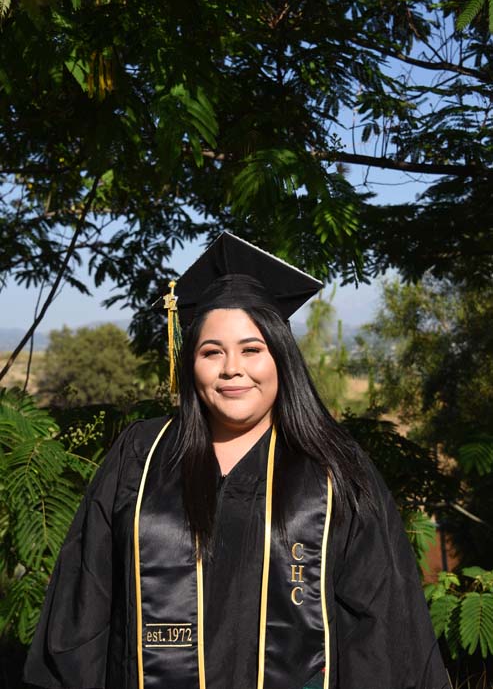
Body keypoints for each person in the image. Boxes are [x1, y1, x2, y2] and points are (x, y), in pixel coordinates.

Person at [24, 233, 450, 689]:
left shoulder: (333, 470)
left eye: (252, 349)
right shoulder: (140, 459)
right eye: (212, 352)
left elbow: (382, 629)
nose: (232, 369)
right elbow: (83, 610)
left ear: (281, 358)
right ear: (190, 363)